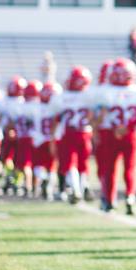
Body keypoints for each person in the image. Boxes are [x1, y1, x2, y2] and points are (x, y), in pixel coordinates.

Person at [95, 58, 136, 214]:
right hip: (130, 133)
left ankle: (110, 200)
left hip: (110, 133)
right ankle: (130, 197)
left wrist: (97, 128)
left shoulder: (105, 91)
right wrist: (130, 125)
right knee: (130, 169)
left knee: (110, 169)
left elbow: (102, 116)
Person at [51, 66, 95, 203]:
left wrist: (52, 138)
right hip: (85, 132)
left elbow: (56, 120)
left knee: (70, 164)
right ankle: (83, 187)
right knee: (83, 164)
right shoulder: (90, 96)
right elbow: (92, 116)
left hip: (69, 133)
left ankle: (76, 189)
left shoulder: (62, 98)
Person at [0, 76, 27, 195]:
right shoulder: (24, 102)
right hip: (22, 135)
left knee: (10, 158)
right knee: (17, 160)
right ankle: (15, 180)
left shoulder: (6, 102)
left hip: (13, 133)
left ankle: (12, 178)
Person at [32, 82, 61, 199]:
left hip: (39, 140)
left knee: (38, 165)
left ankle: (43, 179)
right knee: (52, 167)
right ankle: (49, 188)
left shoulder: (35, 107)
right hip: (54, 139)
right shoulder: (57, 108)